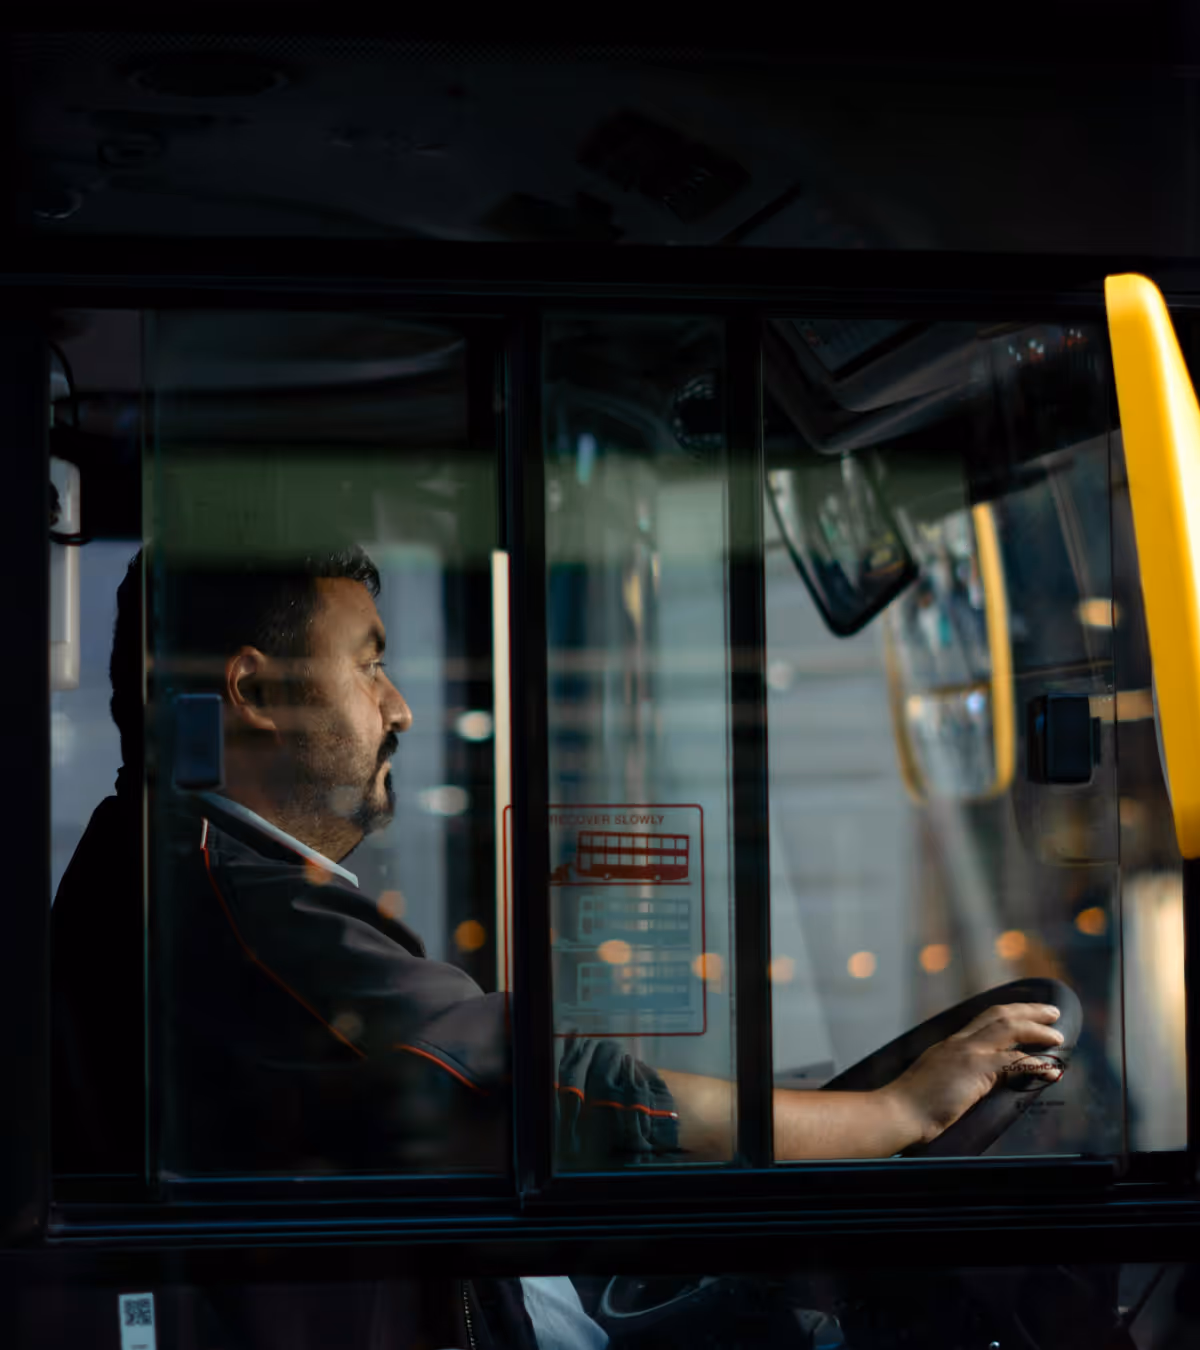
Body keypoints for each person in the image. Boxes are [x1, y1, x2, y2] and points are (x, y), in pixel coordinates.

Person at [52, 543, 1065, 1345]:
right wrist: (889, 1114)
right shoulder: (234, 913)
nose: (399, 707)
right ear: (255, 694)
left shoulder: (167, 871)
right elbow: (548, 1087)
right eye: (367, 664)